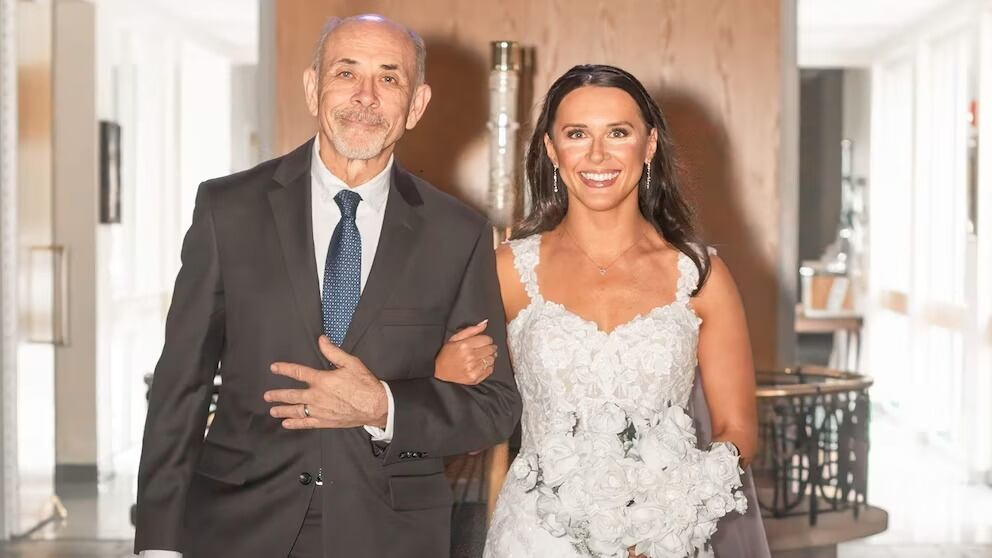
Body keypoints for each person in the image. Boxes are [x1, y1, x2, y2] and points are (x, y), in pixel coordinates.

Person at [134, 14, 520, 558]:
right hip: (237, 527)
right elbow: (182, 385)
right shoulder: (229, 209)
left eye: (389, 78)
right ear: (314, 87)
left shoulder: (458, 233)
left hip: (391, 534)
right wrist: (158, 544)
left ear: (417, 104)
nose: (365, 96)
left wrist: (383, 405)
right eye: (346, 73)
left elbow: (495, 406)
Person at [434, 64, 763, 557]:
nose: (597, 154)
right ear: (551, 149)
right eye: (576, 134)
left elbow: (738, 431)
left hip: (664, 540)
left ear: (648, 145)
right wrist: (443, 372)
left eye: (618, 132)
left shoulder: (701, 275)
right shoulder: (507, 269)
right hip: (537, 536)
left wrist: (673, 510)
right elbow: (464, 413)